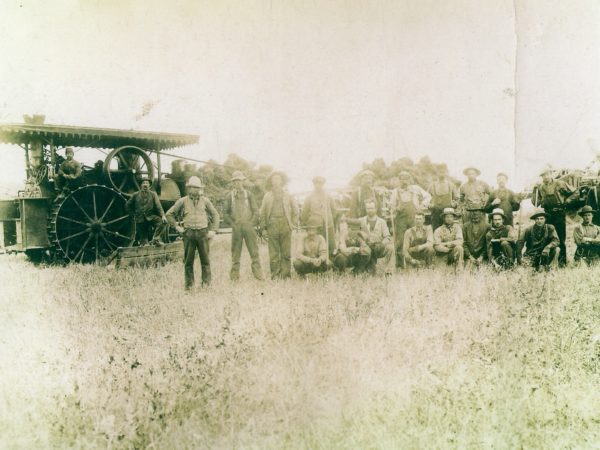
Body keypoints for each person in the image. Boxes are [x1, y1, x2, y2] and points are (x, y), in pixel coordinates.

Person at [166, 176, 220, 290]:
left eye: (197, 188)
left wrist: (213, 230)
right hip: (189, 234)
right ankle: (189, 287)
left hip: (202, 234)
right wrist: (177, 227)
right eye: (193, 187)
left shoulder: (205, 201)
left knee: (205, 261)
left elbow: (215, 215)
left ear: (200, 189)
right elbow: (169, 214)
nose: (195, 190)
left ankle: (206, 285)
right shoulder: (182, 201)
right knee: (188, 262)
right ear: (189, 188)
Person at [223, 171, 264, 281]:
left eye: (239, 181)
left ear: (243, 181)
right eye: (235, 181)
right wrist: (232, 224)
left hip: (248, 227)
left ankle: (258, 275)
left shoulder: (249, 194)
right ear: (233, 183)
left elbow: (255, 211)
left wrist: (251, 223)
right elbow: (225, 213)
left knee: (254, 252)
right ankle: (234, 278)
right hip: (237, 228)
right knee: (235, 254)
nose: (237, 183)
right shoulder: (229, 196)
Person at [259, 171, 299, 280]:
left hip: (285, 225)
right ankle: (275, 275)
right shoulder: (267, 196)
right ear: (271, 181)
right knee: (273, 253)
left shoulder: (288, 195)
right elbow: (262, 213)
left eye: (278, 179)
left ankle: (286, 275)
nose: (276, 181)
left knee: (286, 252)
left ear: (282, 181)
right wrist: (263, 229)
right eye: (274, 179)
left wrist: (293, 224)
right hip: (272, 225)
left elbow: (296, 210)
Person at [532, 168, 574, 267]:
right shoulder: (541, 187)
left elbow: (575, 192)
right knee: (548, 238)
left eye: (547, 174)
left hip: (559, 214)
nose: (545, 177)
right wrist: (534, 190)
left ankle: (562, 262)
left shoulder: (560, 183)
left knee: (560, 238)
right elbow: (536, 203)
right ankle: (548, 261)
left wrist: (567, 201)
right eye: (543, 175)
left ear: (551, 174)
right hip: (547, 215)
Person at [389, 171, 431, 268]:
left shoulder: (416, 189)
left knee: (414, 239)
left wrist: (422, 205)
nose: (404, 181)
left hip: (414, 218)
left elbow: (428, 196)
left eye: (406, 179)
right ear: (399, 180)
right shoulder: (395, 191)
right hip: (400, 220)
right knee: (399, 242)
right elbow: (391, 206)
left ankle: (414, 263)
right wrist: (395, 208)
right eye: (402, 179)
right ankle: (399, 265)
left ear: (410, 179)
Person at [348, 200, 394, 275]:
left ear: (376, 209)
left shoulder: (382, 222)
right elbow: (354, 234)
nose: (370, 210)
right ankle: (360, 267)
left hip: (377, 247)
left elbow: (387, 237)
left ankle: (388, 271)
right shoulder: (360, 220)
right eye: (368, 208)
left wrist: (382, 244)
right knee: (370, 272)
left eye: (372, 208)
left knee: (390, 248)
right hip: (365, 248)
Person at [301, 176, 337, 257]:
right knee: (317, 243)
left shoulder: (328, 196)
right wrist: (308, 223)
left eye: (320, 183)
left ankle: (330, 260)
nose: (318, 185)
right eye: (316, 183)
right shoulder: (309, 197)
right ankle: (318, 260)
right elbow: (304, 212)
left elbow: (334, 209)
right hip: (315, 225)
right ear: (314, 184)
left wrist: (331, 219)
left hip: (328, 224)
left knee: (329, 243)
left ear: (323, 184)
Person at [126, 178, 167, 246]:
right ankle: (144, 244)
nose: (145, 185)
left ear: (149, 185)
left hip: (150, 217)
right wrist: (132, 215)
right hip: (139, 219)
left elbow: (158, 206)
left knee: (162, 222)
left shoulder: (153, 194)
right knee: (144, 242)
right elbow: (127, 205)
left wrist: (163, 215)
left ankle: (156, 239)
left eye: (147, 183)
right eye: (143, 183)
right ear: (141, 185)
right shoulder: (135, 194)